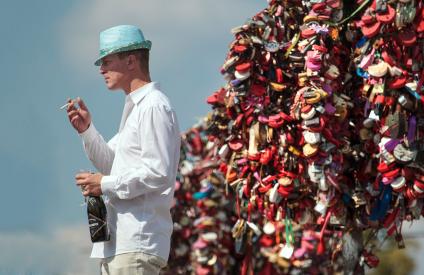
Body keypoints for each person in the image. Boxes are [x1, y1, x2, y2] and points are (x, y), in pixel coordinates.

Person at [66, 25, 181, 274]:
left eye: (107, 61)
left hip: (137, 240)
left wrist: (104, 184)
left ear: (130, 60)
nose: (101, 69)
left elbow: (157, 172)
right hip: (122, 243)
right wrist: (87, 130)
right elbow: (111, 164)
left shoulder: (152, 106)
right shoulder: (138, 108)